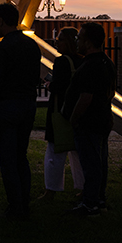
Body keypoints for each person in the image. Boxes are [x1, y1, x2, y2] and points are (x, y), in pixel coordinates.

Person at [0, 2, 41, 219]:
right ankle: (24, 202)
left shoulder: (3, 48)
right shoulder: (31, 45)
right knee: (20, 156)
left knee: (8, 159)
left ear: (1, 21)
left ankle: (15, 206)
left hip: (7, 106)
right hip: (28, 104)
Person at [65, 22, 115, 217]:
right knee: (100, 162)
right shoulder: (107, 63)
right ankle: (98, 198)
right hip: (102, 119)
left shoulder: (90, 66)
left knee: (91, 164)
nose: (77, 42)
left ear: (88, 42)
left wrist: (74, 118)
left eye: (80, 38)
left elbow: (86, 97)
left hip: (88, 122)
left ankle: (90, 203)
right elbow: (111, 92)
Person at [39, 27, 85, 202]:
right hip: (77, 110)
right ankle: (82, 187)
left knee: (54, 151)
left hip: (60, 109)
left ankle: (51, 189)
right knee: (77, 152)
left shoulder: (61, 62)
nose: (56, 42)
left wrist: (49, 85)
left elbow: (58, 86)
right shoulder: (83, 61)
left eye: (59, 39)